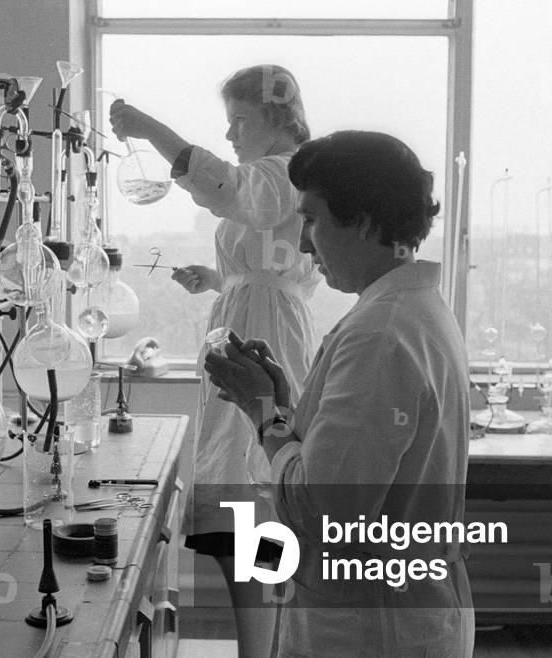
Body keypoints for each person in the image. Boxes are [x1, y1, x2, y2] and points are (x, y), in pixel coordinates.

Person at [204, 131, 475, 657]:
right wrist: (283, 407)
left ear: (367, 223)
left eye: (312, 219)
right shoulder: (414, 310)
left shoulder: (381, 331)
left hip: (370, 629)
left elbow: (323, 511)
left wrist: (261, 413)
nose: (304, 244)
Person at [110, 65, 320, 658]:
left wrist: (150, 127)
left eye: (239, 120)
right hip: (255, 319)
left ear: (277, 117)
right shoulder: (275, 178)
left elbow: (227, 188)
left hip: (268, 334)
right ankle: (263, 648)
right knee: (244, 499)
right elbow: (263, 258)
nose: (229, 133)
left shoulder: (284, 171)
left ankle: (263, 652)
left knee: (253, 498)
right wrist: (218, 281)